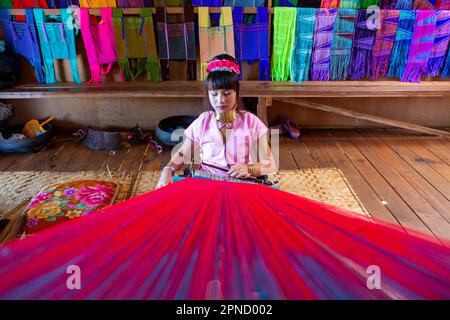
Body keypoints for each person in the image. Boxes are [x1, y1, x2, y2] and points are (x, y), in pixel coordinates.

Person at [156, 54, 278, 189]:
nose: (220, 100)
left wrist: (249, 169)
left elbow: (271, 164)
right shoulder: (202, 122)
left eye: (226, 94)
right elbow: (182, 154)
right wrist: (168, 170)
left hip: (242, 185)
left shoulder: (251, 122)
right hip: (207, 185)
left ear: (236, 93)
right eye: (214, 94)